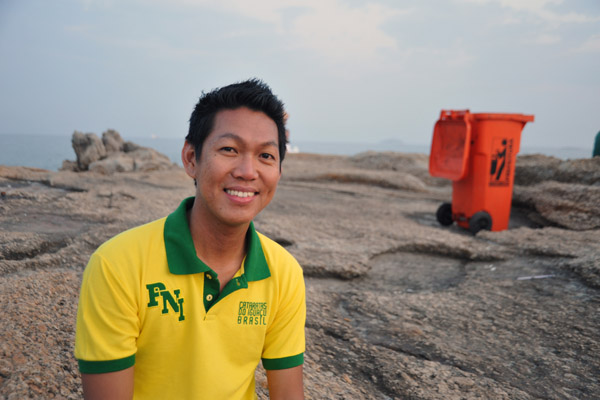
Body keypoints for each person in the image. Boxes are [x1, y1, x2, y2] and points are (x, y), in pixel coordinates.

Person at [75, 79, 306, 399]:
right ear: (191, 158)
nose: (247, 171)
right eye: (229, 149)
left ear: (279, 171)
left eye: (265, 156)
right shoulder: (117, 265)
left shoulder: (283, 272)